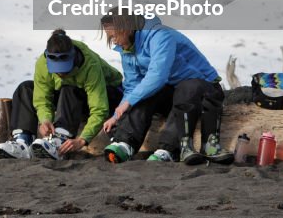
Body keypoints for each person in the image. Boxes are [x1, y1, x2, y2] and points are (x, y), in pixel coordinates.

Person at [100, 10, 233, 164]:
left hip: (202, 89)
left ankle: (167, 150)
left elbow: (158, 75)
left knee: (183, 88)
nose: (113, 40)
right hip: (174, 92)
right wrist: (116, 116)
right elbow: (132, 86)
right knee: (144, 93)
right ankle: (125, 143)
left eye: (114, 35)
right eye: (110, 37)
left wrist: (128, 103)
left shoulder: (160, 35)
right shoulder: (127, 48)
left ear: (128, 28)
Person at [0, 29, 123, 160]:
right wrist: (45, 120)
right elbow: (42, 99)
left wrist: (83, 139)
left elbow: (100, 109)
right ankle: (22, 142)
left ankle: (60, 139)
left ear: (73, 58)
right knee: (26, 88)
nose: (61, 74)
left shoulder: (90, 64)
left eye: (65, 69)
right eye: (57, 71)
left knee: (70, 88)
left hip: (110, 96)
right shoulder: (42, 63)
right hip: (69, 99)